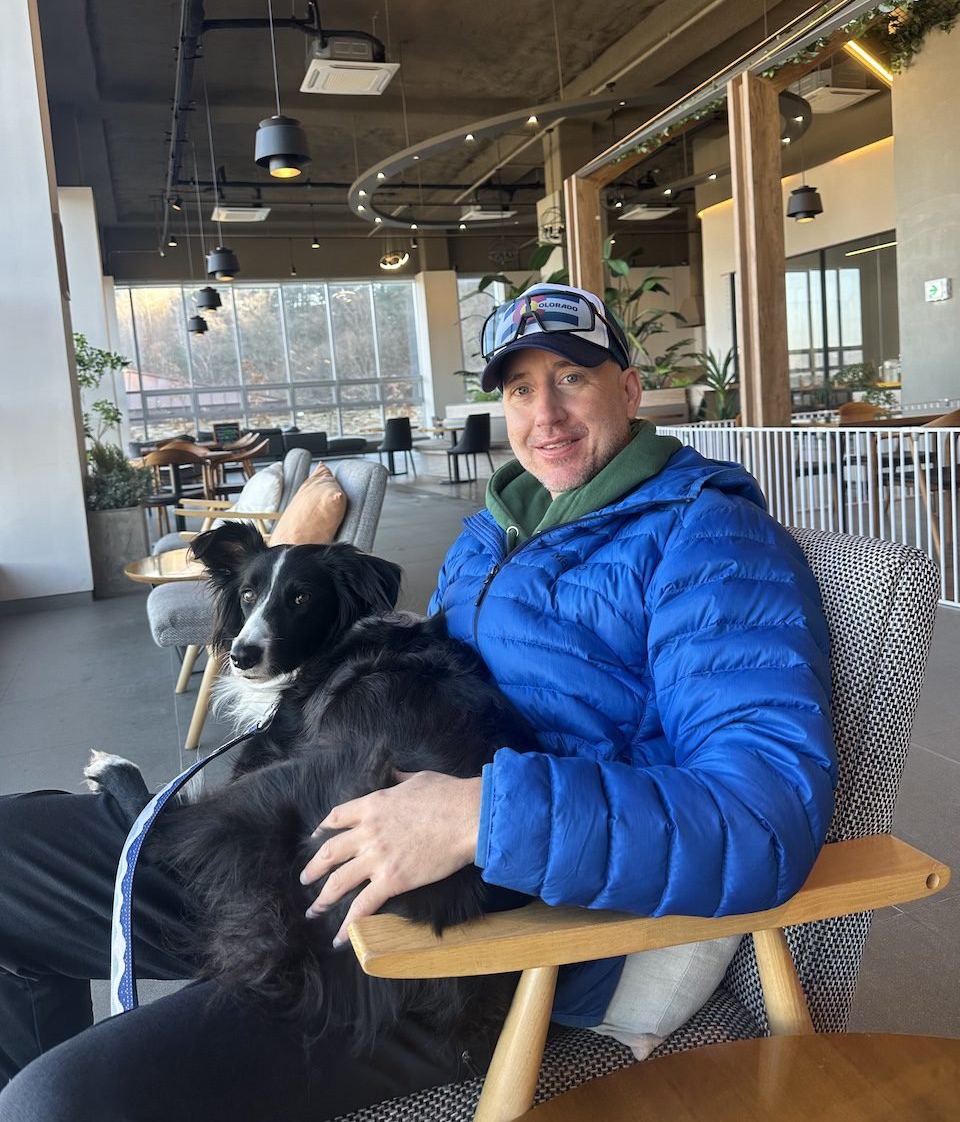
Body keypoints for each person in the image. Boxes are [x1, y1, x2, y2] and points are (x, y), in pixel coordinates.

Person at [0, 285, 836, 1120]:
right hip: (324, 834)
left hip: (486, 931)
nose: (544, 412)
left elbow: (761, 816)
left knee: (61, 1102)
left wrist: (480, 816)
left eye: (572, 377)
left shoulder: (711, 541)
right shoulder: (500, 527)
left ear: (627, 389)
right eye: (518, 388)